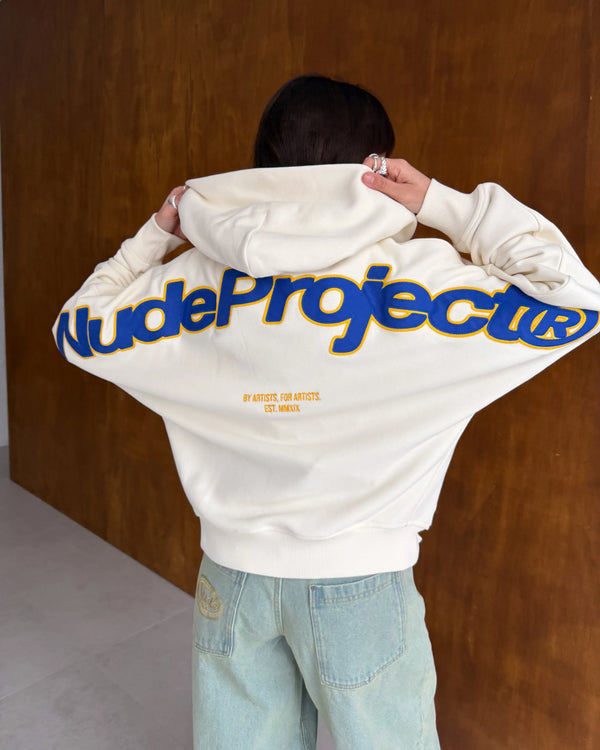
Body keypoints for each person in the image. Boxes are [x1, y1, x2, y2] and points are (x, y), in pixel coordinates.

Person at [53, 74, 600, 750]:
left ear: (260, 167)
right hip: (362, 586)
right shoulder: (426, 283)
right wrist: (443, 203)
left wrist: (154, 235)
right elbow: (575, 300)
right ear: (377, 168)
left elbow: (77, 327)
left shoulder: (188, 283)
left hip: (233, 580)